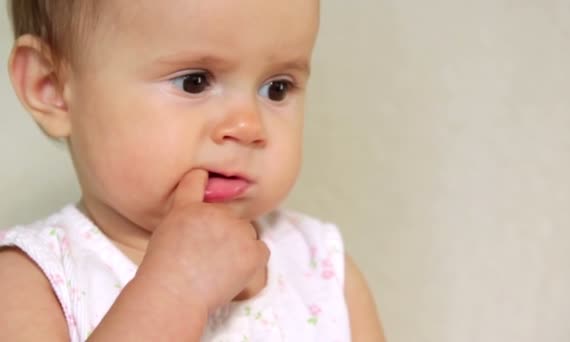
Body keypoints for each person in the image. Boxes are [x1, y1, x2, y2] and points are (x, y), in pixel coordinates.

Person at [0, 0, 385, 341]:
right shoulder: (30, 284)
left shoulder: (322, 271)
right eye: (194, 82)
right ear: (50, 86)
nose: (248, 126)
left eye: (277, 88)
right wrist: (176, 290)